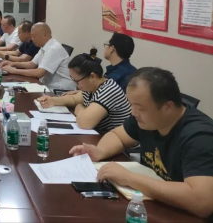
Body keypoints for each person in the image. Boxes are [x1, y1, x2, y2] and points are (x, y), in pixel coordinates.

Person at [70, 68, 213, 220]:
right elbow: (118, 136)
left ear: (168, 107)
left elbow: (202, 202)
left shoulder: (199, 137)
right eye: (131, 105)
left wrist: (129, 178)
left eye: (140, 108)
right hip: (154, 206)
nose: (133, 113)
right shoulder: (147, 118)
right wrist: (100, 151)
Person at [37, 54, 131, 134]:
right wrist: (53, 100)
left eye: (77, 81)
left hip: (118, 143)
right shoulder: (92, 86)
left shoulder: (108, 90)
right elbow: (74, 99)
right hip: (99, 135)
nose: (76, 85)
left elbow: (85, 122)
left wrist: (79, 107)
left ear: (92, 76)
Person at [1, 23, 76, 91]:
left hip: (59, 90)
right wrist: (12, 64)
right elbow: (31, 64)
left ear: (44, 35)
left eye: (34, 36)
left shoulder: (53, 48)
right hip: (46, 86)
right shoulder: (44, 46)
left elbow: (39, 73)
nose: (32, 39)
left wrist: (14, 71)